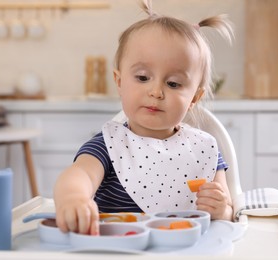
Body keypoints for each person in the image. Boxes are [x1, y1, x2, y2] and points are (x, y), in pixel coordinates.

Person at [54, 0, 234, 236]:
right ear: (119, 82)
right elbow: (79, 175)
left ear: (194, 99)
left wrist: (222, 209)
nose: (156, 92)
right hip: (119, 249)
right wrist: (74, 198)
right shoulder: (109, 145)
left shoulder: (203, 148)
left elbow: (229, 210)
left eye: (173, 83)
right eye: (142, 78)